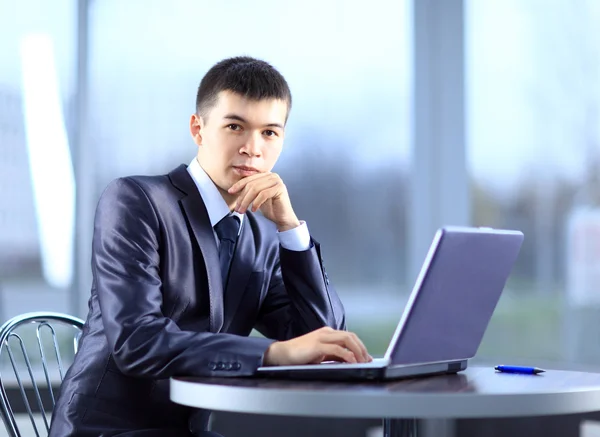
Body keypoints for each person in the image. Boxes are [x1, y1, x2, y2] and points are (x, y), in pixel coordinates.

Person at [49, 56, 371, 437]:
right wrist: (272, 354)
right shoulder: (136, 201)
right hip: (107, 431)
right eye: (235, 126)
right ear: (198, 129)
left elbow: (321, 337)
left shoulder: (262, 236)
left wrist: (289, 229)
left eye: (270, 133)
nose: (253, 148)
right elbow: (137, 341)